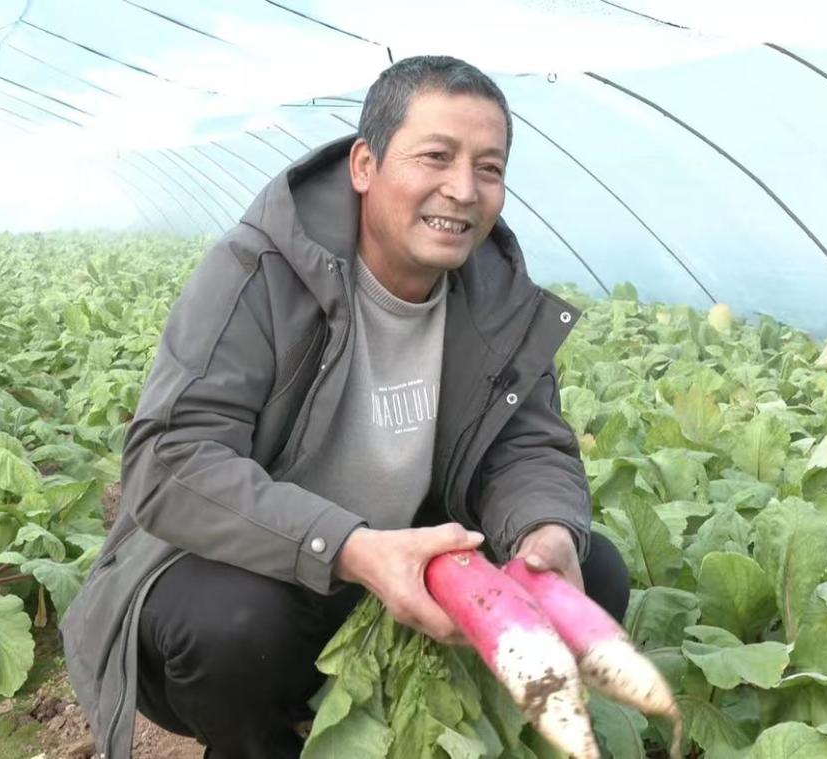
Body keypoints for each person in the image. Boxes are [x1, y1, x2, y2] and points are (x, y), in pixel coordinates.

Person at [60, 55, 631, 759]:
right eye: (435, 157)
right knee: (235, 627)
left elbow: (527, 447)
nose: (463, 189)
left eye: (488, 167)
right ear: (365, 165)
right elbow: (171, 460)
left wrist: (543, 532)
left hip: (413, 565)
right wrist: (352, 548)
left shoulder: (497, 297)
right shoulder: (258, 272)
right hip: (266, 566)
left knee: (592, 574)